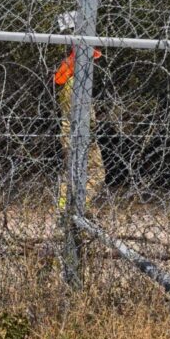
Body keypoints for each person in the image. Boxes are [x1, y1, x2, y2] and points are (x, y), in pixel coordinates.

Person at [54, 11, 105, 212]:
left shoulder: (68, 77)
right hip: (79, 134)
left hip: (72, 133)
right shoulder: (75, 83)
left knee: (74, 173)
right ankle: (75, 210)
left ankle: (69, 210)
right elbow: (86, 118)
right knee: (95, 174)